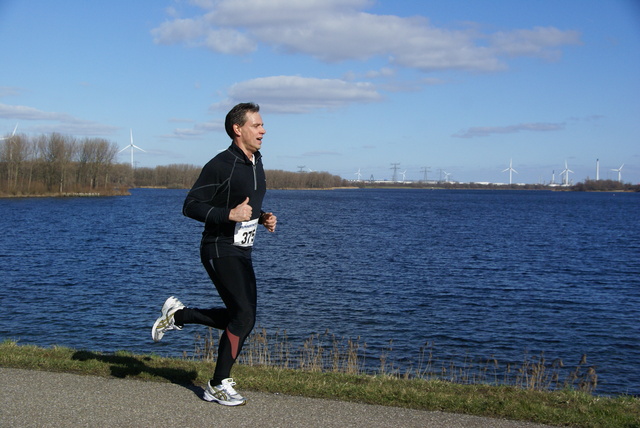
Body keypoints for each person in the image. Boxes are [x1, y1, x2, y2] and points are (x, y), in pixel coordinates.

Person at [151, 102, 277, 406]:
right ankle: (218, 384)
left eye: (262, 125)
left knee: (243, 318)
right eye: (256, 125)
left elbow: (244, 203)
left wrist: (262, 217)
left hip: (242, 249)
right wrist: (229, 214)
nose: (263, 130)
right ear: (238, 129)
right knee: (244, 317)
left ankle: (178, 315)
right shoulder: (221, 164)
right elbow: (190, 205)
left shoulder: (256, 162)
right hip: (218, 247)